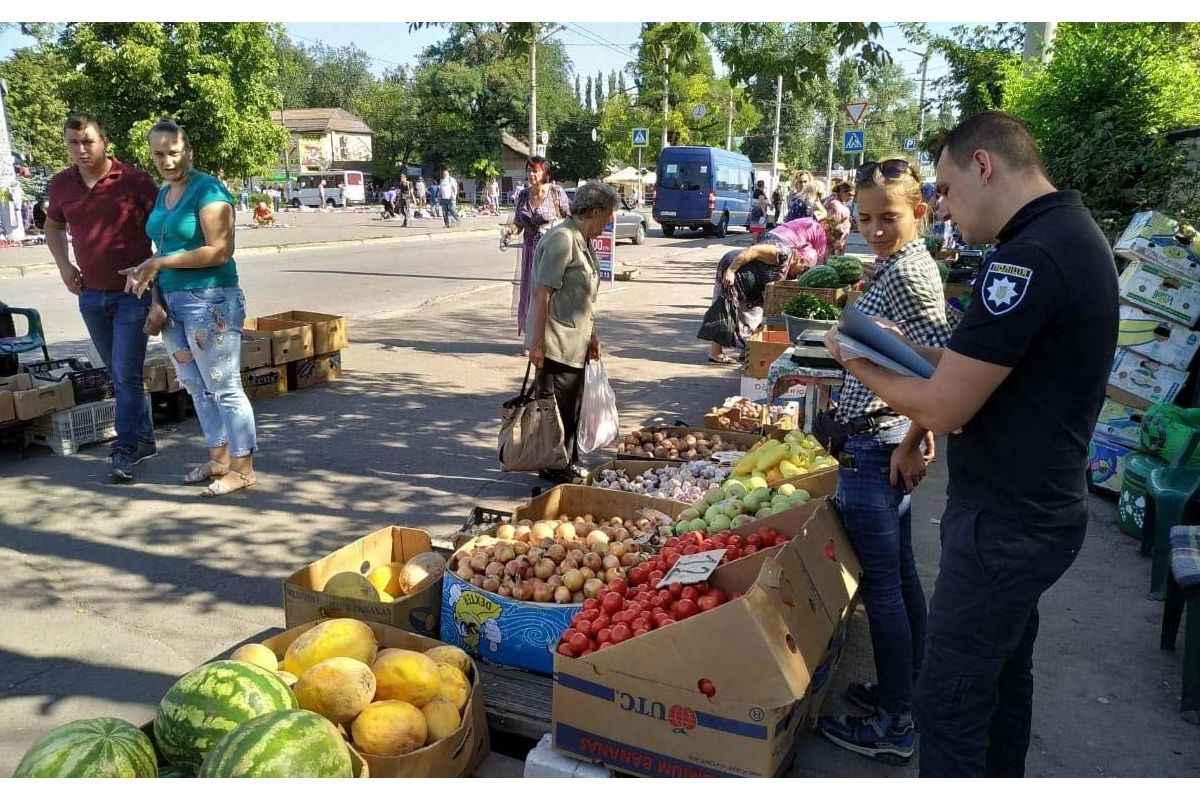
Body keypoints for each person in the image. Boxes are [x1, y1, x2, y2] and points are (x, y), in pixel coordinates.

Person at [822, 111, 1120, 777]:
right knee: (1001, 685)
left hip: (1007, 525)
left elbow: (946, 403)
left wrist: (858, 363)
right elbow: (969, 368)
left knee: (950, 704)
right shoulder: (1066, 235)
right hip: (1036, 514)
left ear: (983, 165)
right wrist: (895, 347)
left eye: (948, 189)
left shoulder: (1029, 257)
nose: (945, 209)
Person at [813, 158, 950, 764]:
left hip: (876, 444)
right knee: (898, 579)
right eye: (865, 217)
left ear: (920, 212)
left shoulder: (912, 274)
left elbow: (938, 369)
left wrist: (913, 435)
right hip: (884, 436)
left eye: (889, 218)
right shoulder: (900, 264)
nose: (874, 228)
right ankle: (908, 693)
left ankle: (896, 724)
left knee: (884, 591)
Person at [121, 118, 259, 498]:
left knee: (225, 387)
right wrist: (147, 266)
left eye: (173, 152)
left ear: (189, 151)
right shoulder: (166, 192)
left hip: (209, 300)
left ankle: (244, 468)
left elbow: (220, 250)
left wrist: (160, 264)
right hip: (171, 303)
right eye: (158, 154)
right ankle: (219, 458)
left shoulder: (208, 190)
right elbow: (165, 247)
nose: (166, 160)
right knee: (196, 386)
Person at [44, 112, 159, 483]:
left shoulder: (135, 182)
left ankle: (123, 450)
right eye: (73, 143)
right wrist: (64, 265)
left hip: (132, 294)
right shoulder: (61, 185)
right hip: (90, 295)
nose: (80, 149)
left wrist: (154, 274)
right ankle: (144, 439)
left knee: (125, 374)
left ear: (104, 140)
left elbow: (166, 231)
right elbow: (54, 226)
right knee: (118, 372)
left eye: (88, 141)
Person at [526, 181, 617, 484]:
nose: (610, 221)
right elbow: (542, 294)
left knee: (570, 406)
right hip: (555, 342)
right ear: (592, 212)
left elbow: (582, 299)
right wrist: (537, 345)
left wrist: (592, 336)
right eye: (607, 215)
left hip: (574, 342)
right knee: (556, 409)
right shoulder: (563, 239)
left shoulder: (582, 239)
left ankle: (564, 462)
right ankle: (555, 466)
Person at [704, 214, 839, 364]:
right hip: (734, 268)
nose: (800, 273)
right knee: (726, 309)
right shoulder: (782, 252)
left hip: (753, 281)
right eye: (803, 268)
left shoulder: (789, 267)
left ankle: (748, 352)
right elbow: (753, 251)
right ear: (800, 258)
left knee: (754, 315)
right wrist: (731, 271)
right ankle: (715, 353)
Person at [501, 156, 572, 344]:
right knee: (530, 294)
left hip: (551, 253)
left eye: (535, 171)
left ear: (545, 173)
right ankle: (531, 338)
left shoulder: (556, 193)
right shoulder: (524, 195)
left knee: (548, 294)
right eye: (529, 171)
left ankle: (551, 339)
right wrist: (509, 230)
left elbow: (571, 220)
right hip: (530, 251)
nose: (531, 175)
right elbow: (518, 224)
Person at [823, 182, 854, 256]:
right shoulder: (835, 204)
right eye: (850, 195)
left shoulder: (836, 201)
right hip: (834, 243)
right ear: (842, 192)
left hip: (835, 241)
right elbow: (832, 226)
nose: (851, 198)